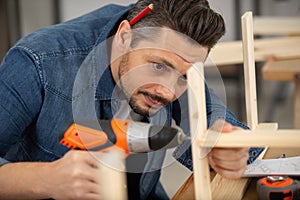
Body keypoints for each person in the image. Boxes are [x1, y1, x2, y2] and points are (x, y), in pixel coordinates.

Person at [0, 0, 263, 199]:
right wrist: (47, 179)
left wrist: (226, 145)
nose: (168, 92)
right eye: (158, 67)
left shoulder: (176, 53)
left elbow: (217, 123)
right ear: (125, 37)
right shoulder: (38, 62)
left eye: (183, 76)